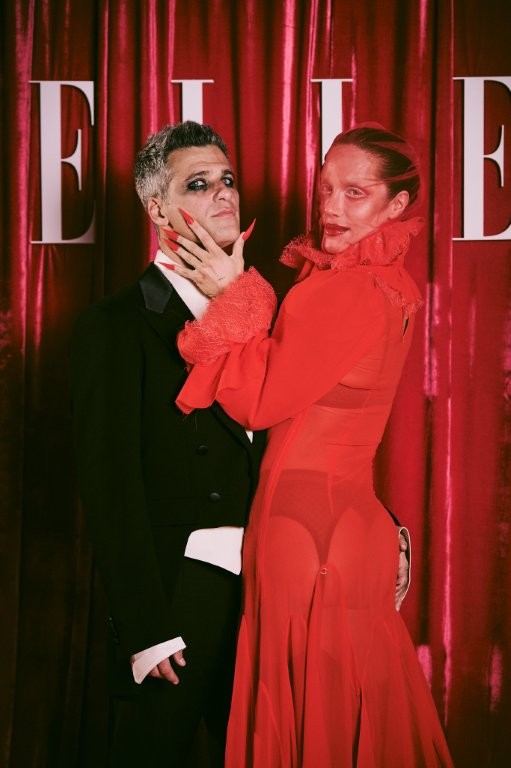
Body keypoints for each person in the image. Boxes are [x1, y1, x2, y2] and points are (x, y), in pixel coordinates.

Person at [170, 124, 454, 766]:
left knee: (310, 728)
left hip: (303, 535)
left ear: (396, 205)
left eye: (355, 193)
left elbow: (257, 403)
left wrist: (235, 295)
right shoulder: (393, 285)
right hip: (346, 524)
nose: (331, 207)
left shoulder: (346, 288)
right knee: (346, 719)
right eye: (326, 188)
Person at [70, 121, 268, 767]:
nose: (223, 193)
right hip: (176, 593)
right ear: (157, 209)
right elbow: (110, 487)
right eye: (199, 183)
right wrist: (145, 627)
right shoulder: (114, 325)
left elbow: (308, 441)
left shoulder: (268, 312)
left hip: (269, 590)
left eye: (227, 179)